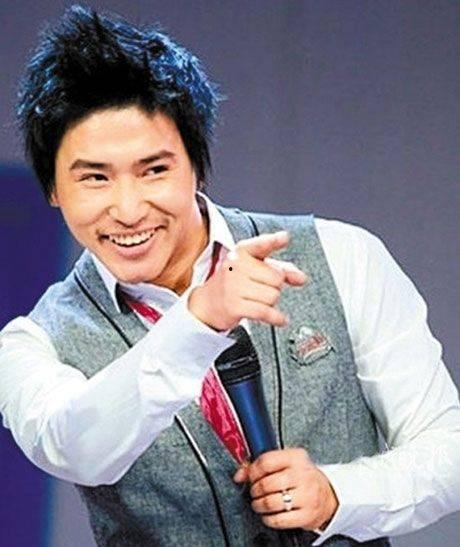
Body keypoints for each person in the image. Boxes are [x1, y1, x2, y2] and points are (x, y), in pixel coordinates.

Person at [1, 4, 459, 546]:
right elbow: (78, 448)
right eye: (95, 179)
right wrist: (197, 322)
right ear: (53, 189)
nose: (127, 209)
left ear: (196, 165)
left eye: (154, 170)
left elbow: (447, 449)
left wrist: (340, 493)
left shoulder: (341, 255)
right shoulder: (32, 344)